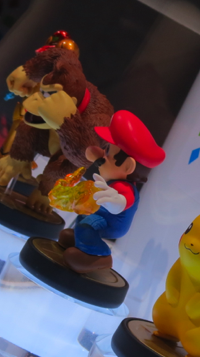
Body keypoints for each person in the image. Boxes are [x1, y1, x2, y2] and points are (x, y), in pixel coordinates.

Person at [57, 110, 165, 273]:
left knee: (87, 224)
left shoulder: (124, 188)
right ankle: (83, 240)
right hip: (101, 215)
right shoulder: (112, 179)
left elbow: (122, 202)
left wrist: (115, 203)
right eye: (106, 149)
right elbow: (98, 158)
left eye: (108, 153)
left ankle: (99, 255)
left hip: (112, 224)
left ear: (127, 167)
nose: (103, 155)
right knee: (83, 219)